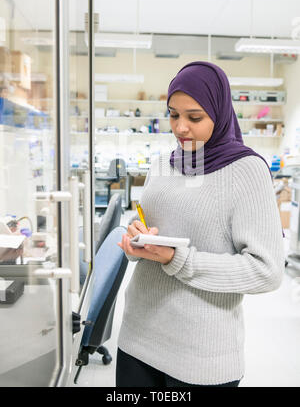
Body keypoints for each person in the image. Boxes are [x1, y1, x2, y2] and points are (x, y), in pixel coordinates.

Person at [116, 61, 285, 388]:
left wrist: (178, 260)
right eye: (173, 114)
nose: (180, 128)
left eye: (194, 117)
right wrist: (136, 241)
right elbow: (148, 229)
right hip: (138, 336)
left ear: (219, 114)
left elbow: (267, 270)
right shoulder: (161, 165)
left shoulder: (246, 171)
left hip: (200, 355)